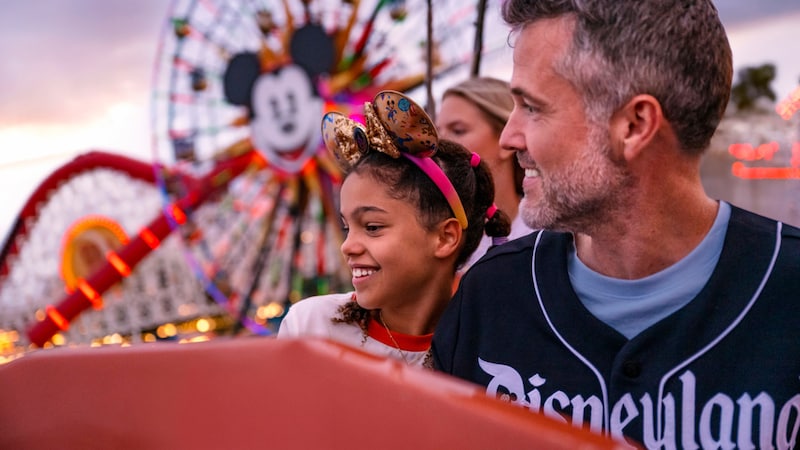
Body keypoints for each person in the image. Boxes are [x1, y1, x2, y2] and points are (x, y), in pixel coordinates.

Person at [431, 1, 800, 448]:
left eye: (533, 107)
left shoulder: (787, 293)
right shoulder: (489, 298)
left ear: (634, 126)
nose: (509, 138)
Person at [278, 90, 510, 368]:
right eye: (346, 227)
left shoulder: (490, 350)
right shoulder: (311, 328)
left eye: (372, 227)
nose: (348, 246)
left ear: (445, 237)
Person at [437, 77, 534, 270]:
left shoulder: (549, 229)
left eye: (458, 130)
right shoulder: (436, 237)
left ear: (506, 139)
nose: (440, 144)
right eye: (437, 131)